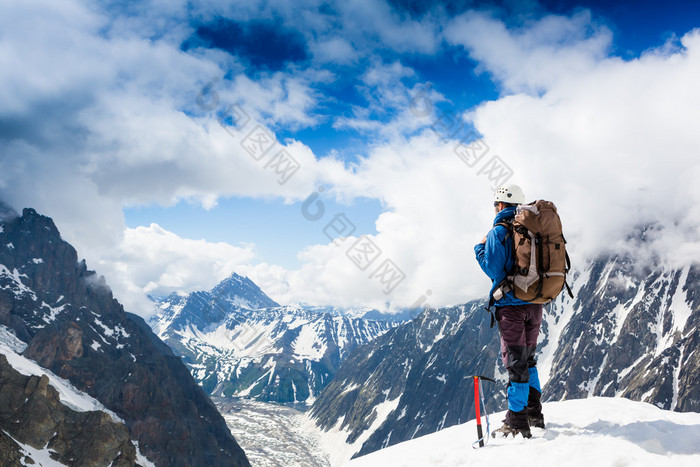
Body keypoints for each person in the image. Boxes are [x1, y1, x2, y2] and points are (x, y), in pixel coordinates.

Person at [474, 184, 545, 439]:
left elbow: (494, 270)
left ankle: (516, 420)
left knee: (516, 363)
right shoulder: (533, 230)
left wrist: (479, 249)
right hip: (535, 304)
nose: (494, 208)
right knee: (529, 360)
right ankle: (535, 413)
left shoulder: (499, 231)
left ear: (501, 205)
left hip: (511, 309)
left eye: (495, 204)